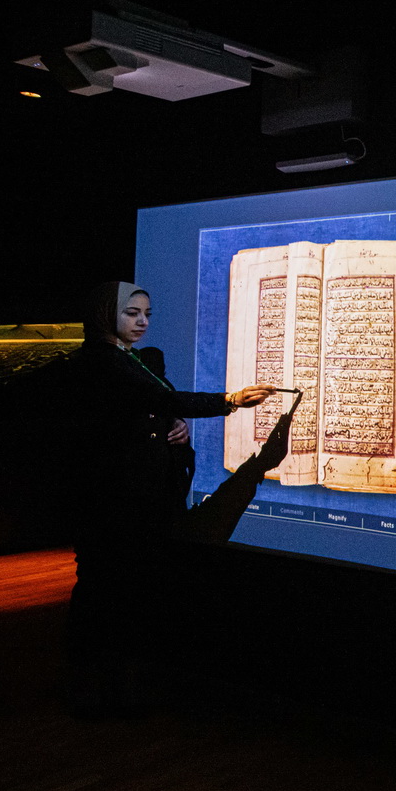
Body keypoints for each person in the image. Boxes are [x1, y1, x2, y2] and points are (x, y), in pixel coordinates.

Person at [58, 281, 279, 715]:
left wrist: (173, 425)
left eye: (147, 314)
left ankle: (115, 687)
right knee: (104, 594)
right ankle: (93, 690)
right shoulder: (100, 361)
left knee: (125, 594)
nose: (142, 322)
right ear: (106, 314)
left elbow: (153, 407)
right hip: (111, 505)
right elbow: (156, 399)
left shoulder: (131, 357)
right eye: (131, 313)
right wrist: (230, 400)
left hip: (139, 501)